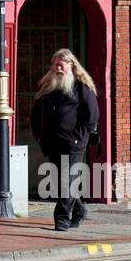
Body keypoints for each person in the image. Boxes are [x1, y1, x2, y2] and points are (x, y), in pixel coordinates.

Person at [30, 49, 99, 231]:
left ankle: (61, 219)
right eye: (56, 64)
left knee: (65, 181)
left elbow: (91, 116)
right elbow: (35, 115)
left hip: (73, 145)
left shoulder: (81, 88)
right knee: (61, 181)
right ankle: (80, 210)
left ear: (72, 66)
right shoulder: (47, 88)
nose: (58, 67)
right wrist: (40, 136)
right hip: (52, 143)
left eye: (62, 63)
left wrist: (79, 139)